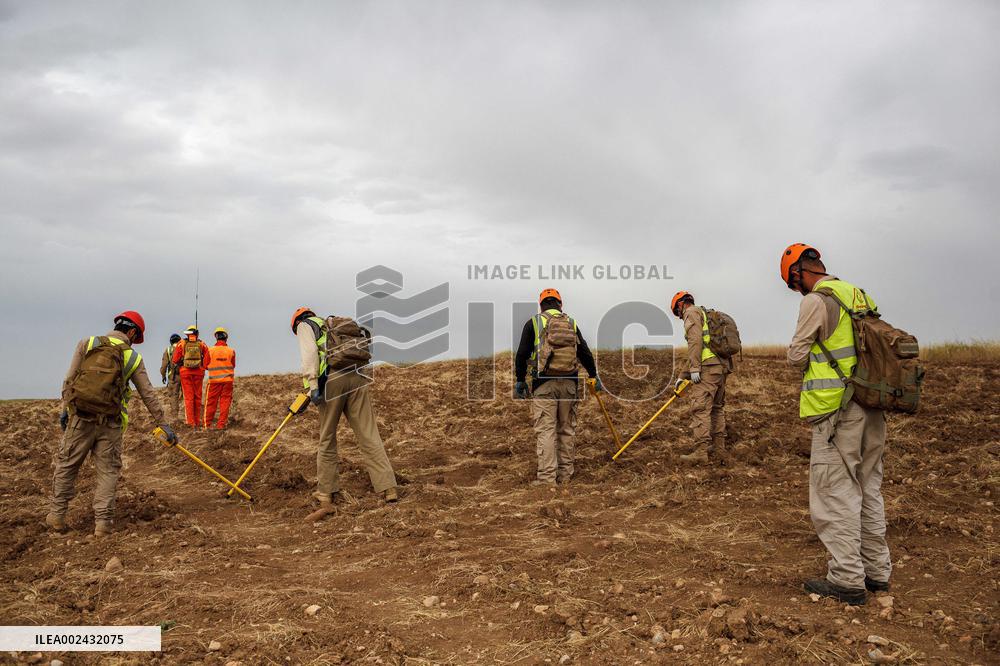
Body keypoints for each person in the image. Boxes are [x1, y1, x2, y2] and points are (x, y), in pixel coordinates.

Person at [782, 243, 890, 606]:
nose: (795, 289)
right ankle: (877, 573)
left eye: (792, 282)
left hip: (837, 412)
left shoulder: (816, 300)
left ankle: (846, 580)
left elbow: (796, 355)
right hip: (872, 405)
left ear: (798, 274)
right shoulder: (857, 294)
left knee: (835, 493)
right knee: (868, 489)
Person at [48, 311, 177, 536]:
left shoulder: (86, 344)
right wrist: (163, 424)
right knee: (107, 472)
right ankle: (103, 524)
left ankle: (57, 516)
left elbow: (69, 379)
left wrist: (65, 411)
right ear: (132, 332)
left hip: (81, 417)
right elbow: (148, 394)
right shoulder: (133, 358)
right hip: (111, 423)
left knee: (67, 465)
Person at [292, 307, 398, 517]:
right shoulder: (331, 324)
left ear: (296, 322)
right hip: (357, 377)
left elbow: (310, 355)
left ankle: (325, 494)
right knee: (369, 434)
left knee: (327, 437)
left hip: (333, 382)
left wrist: (313, 386)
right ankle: (389, 487)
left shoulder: (306, 326)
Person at [514, 288, 601, 486]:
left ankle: (546, 479)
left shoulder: (534, 323)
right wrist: (594, 375)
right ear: (560, 305)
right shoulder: (571, 323)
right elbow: (585, 352)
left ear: (541, 305)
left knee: (546, 430)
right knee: (566, 429)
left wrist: (520, 380)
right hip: (570, 384)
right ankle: (565, 476)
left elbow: (521, 354)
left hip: (543, 385)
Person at [669, 291, 734, 464]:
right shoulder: (704, 313)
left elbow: (695, 342)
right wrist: (683, 376)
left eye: (677, 312)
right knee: (717, 407)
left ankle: (700, 452)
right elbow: (701, 346)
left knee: (700, 408)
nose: (679, 316)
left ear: (680, 305)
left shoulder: (691, 313)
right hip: (720, 368)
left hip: (707, 369)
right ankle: (719, 449)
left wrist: (695, 368)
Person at [171, 326, 209, 427]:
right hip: (199, 373)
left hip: (185, 372)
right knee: (197, 396)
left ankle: (190, 423)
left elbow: (175, 359)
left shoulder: (181, 343)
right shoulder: (202, 344)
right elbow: (207, 357)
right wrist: (203, 368)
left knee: (188, 398)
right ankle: (197, 421)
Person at [204, 327, 236, 430]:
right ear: (226, 337)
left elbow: (204, 365)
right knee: (225, 403)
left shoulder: (210, 350)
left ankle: (207, 425)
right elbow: (233, 365)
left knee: (210, 403)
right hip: (228, 382)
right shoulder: (231, 351)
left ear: (216, 337)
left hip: (214, 381)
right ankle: (221, 425)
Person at [159, 333, 183, 421]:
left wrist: (163, 376)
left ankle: (175, 415)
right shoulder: (183, 347)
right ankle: (189, 415)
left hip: (173, 377)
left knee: (174, 395)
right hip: (185, 375)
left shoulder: (168, 350)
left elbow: (164, 365)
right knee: (188, 396)